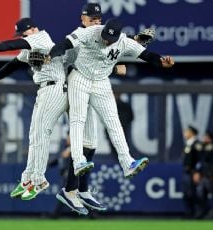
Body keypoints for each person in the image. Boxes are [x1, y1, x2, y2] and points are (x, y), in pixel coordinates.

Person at [56, 3, 154, 213]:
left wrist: (130, 46)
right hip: (70, 85)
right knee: (79, 128)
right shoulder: (80, 35)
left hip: (93, 84)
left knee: (91, 144)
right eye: (92, 19)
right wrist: (116, 63)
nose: (96, 22)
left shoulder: (102, 36)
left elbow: (106, 54)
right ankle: (72, 186)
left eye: (98, 19)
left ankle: (79, 190)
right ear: (83, 19)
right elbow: (71, 62)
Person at [48, 18, 174, 181]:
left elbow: (146, 55)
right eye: (106, 35)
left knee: (113, 121)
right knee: (78, 119)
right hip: (80, 77)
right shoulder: (89, 32)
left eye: (112, 38)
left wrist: (161, 62)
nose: (108, 40)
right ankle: (78, 160)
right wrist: (50, 55)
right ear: (103, 29)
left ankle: (127, 163)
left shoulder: (122, 41)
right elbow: (65, 44)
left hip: (101, 81)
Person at [0, 18, 79, 202]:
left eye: (24, 33)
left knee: (42, 134)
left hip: (55, 88)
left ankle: (39, 180)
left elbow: (12, 44)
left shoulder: (40, 38)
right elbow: (13, 64)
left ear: (33, 29)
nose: (22, 37)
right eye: (21, 34)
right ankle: (28, 178)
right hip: (45, 90)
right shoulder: (30, 47)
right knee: (34, 135)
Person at [194, 131, 213, 218]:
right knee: (200, 194)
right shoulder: (205, 146)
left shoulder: (212, 146)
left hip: (211, 175)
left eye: (205, 137)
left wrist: (200, 146)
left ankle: (207, 211)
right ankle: (206, 211)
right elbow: (201, 160)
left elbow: (207, 155)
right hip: (204, 175)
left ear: (209, 138)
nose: (203, 138)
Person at [181, 125, 201, 218]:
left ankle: (197, 212)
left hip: (193, 173)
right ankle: (189, 213)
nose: (185, 133)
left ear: (192, 133)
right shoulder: (189, 143)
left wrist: (197, 172)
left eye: (187, 132)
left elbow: (200, 159)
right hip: (187, 172)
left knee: (193, 193)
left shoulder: (197, 144)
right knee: (187, 193)